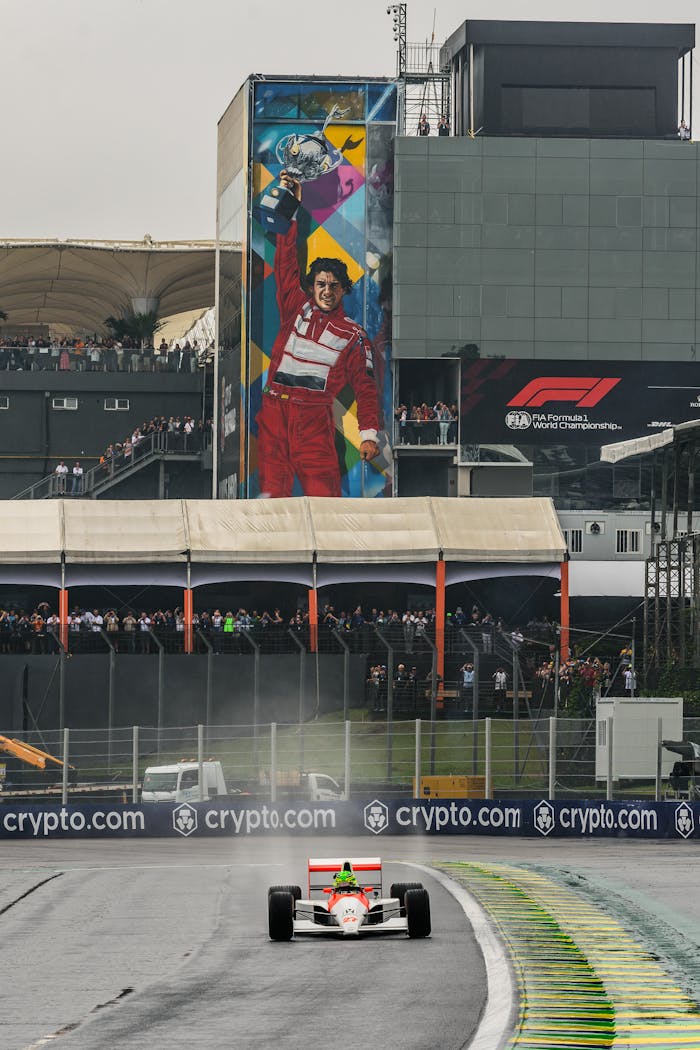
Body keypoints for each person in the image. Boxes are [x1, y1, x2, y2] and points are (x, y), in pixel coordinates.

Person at [255, 170, 380, 497]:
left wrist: (368, 435)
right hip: (274, 414)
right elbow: (285, 260)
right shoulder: (296, 305)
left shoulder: (354, 335)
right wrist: (293, 205)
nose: (327, 291)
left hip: (313, 421)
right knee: (270, 503)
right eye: (321, 285)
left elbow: (366, 389)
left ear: (343, 291)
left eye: (334, 286)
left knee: (327, 504)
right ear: (312, 287)